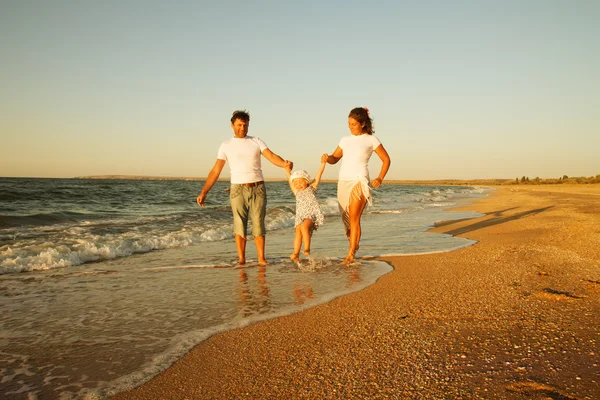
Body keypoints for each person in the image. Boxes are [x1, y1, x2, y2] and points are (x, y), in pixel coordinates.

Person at [197, 110, 293, 266]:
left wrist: (284, 164)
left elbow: (271, 156)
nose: (243, 128)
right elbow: (216, 170)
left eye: (245, 125)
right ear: (232, 125)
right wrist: (204, 191)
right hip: (237, 190)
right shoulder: (226, 145)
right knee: (239, 224)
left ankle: (261, 259)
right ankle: (241, 259)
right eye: (239, 125)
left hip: (258, 187)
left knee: (258, 223)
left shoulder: (256, 141)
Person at [324, 107, 391, 264]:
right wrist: (328, 158)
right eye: (348, 123)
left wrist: (380, 178)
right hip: (343, 182)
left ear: (362, 123)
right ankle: (353, 245)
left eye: (353, 124)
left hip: (359, 181)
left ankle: (350, 254)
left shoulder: (371, 140)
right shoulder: (344, 140)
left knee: (354, 218)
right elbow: (335, 158)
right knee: (346, 220)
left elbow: (386, 159)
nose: (350, 126)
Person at [284, 154, 328, 262]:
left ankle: (307, 248)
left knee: (304, 228)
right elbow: (290, 180)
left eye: (300, 182)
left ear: (307, 181)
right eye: (296, 183)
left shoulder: (311, 188)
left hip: (311, 215)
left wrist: (323, 163)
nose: (298, 184)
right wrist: (287, 169)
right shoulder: (296, 191)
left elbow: (318, 175)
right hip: (300, 216)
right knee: (298, 232)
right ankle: (296, 254)